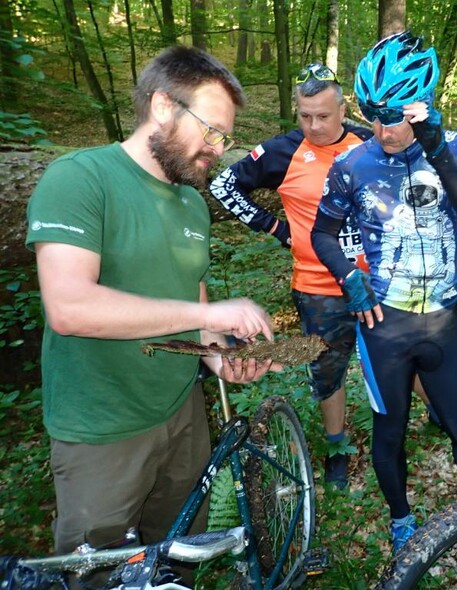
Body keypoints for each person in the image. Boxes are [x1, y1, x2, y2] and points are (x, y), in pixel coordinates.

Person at [25, 46, 280, 565]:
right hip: (102, 431)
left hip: (182, 418)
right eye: (211, 130)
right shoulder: (81, 178)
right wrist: (208, 317)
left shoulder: (191, 202)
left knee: (177, 558)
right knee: (98, 570)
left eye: (224, 137)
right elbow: (70, 307)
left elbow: (193, 299)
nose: (217, 148)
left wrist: (218, 358)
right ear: (163, 106)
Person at [208, 63, 437, 490]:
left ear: (343, 108)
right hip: (317, 289)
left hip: (380, 281)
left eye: (323, 115)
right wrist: (277, 229)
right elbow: (224, 186)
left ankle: (440, 415)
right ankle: (336, 448)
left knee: (403, 356)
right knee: (327, 371)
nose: (313, 125)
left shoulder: (368, 140)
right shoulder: (282, 151)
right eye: (304, 115)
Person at [311, 31, 457, 552]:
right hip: (384, 327)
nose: (382, 129)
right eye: (373, 114)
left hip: (443, 322)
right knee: (388, 432)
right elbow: (321, 233)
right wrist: (350, 279)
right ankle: (400, 517)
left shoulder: (455, 147)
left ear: (421, 107)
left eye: (393, 116)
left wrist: (436, 147)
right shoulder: (352, 164)